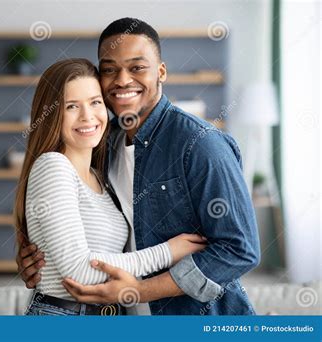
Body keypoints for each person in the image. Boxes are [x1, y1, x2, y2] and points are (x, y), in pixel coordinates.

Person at [18, 18, 261, 315]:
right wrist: (43, 260)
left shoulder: (200, 144)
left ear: (161, 72)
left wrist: (139, 290)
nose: (122, 80)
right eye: (109, 69)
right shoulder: (104, 147)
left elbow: (239, 250)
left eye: (137, 67)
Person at [14, 58, 207, 316]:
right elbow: (79, 269)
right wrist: (169, 252)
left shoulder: (100, 176)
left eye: (95, 102)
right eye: (72, 106)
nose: (88, 116)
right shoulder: (54, 166)